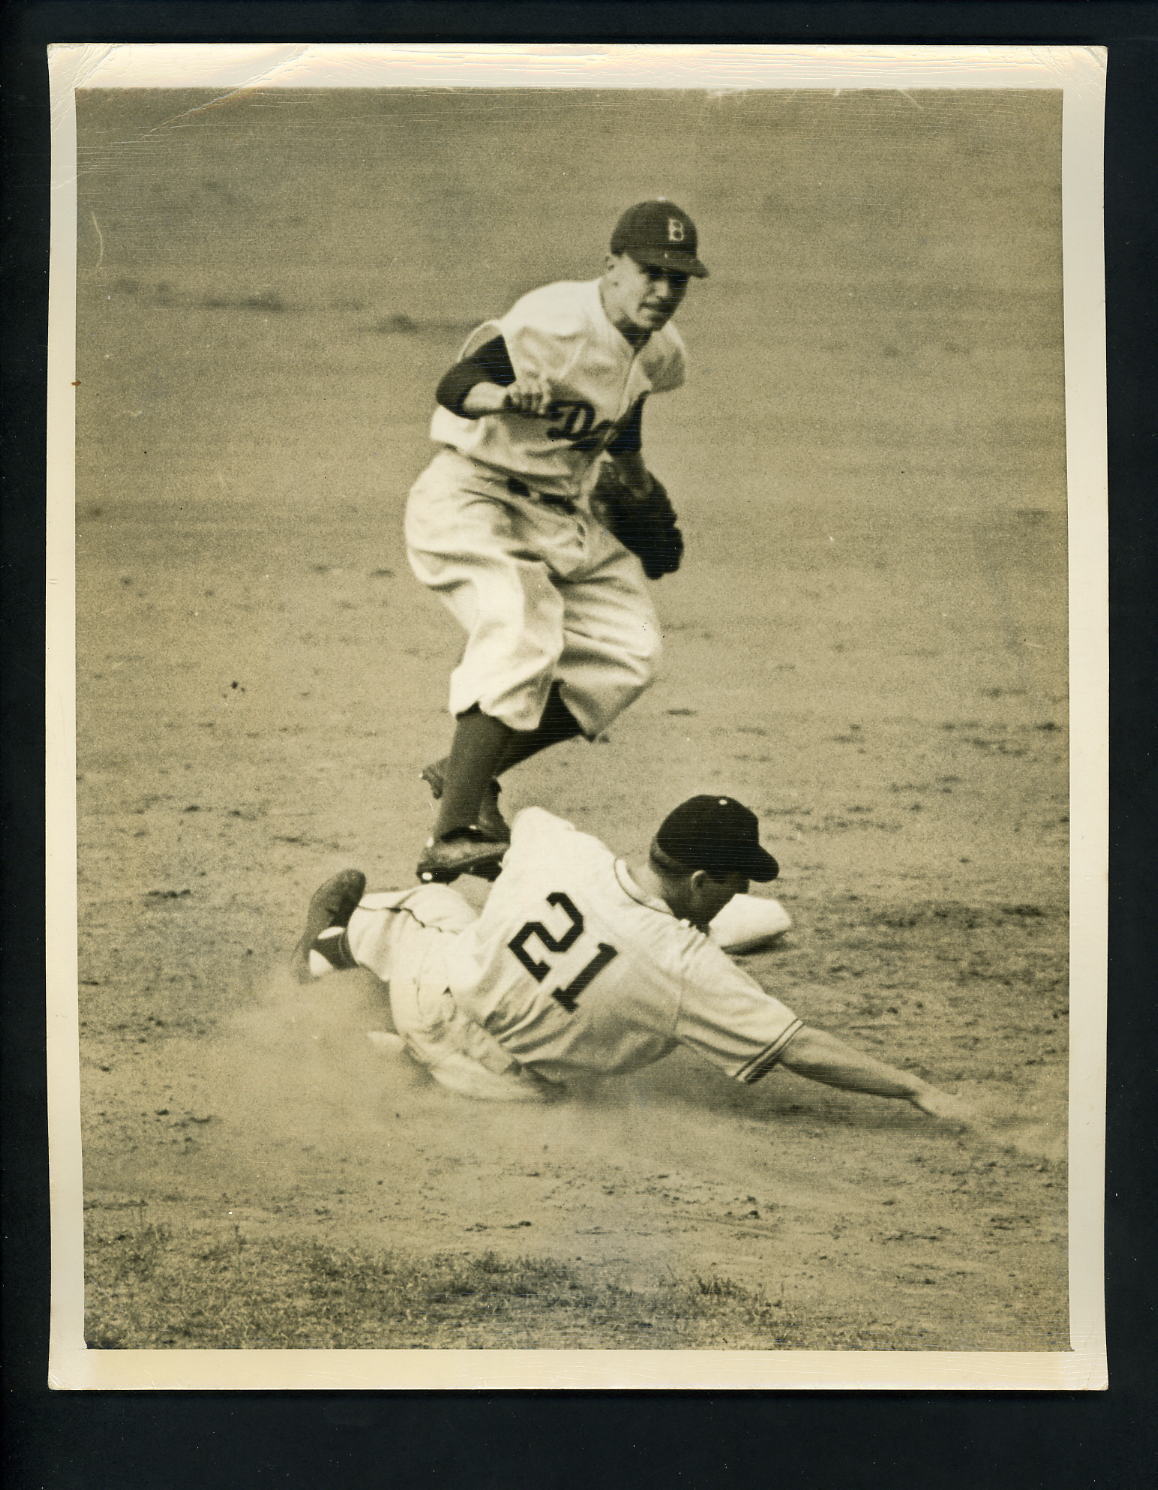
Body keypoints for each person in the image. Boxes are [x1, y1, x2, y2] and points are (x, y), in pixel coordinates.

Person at [290, 795, 975, 1124]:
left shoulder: (558, 844)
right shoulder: (689, 970)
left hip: (435, 1010)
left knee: (424, 908)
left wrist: (479, 802)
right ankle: (377, 1034)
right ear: (702, 882)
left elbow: (507, 826)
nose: (742, 891)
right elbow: (803, 1047)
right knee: (655, 1014)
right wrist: (917, 1087)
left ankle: (331, 957)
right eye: (736, 881)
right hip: (507, 1091)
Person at [405, 199, 708, 885]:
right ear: (612, 267)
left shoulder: (661, 352)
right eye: (650, 271)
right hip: (472, 497)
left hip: (558, 515)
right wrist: (505, 399)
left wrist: (632, 482)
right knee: (522, 623)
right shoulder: (555, 320)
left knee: (629, 653)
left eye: (678, 279)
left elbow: (624, 412)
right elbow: (457, 384)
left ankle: (465, 771)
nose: (664, 290)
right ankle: (451, 830)